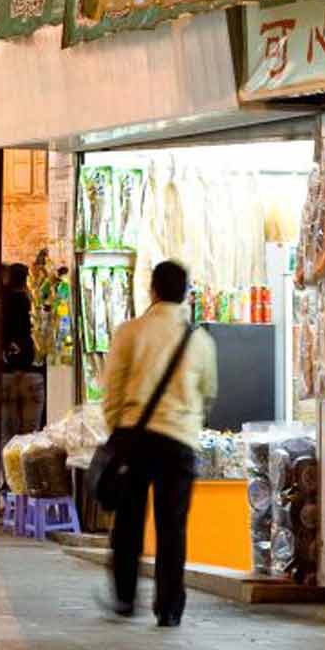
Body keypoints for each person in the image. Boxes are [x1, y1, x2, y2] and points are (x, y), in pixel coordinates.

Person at [101, 260, 218, 628]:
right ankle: (169, 606)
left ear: (151, 290)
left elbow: (113, 391)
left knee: (129, 520)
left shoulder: (130, 333)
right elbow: (209, 393)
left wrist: (118, 431)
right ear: (185, 293)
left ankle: (124, 596)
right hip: (179, 442)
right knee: (172, 527)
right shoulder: (199, 340)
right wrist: (189, 422)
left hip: (137, 437)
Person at [0, 264, 45, 440]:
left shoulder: (1, 304)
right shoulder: (33, 304)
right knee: (30, 435)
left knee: (8, 433)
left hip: (7, 372)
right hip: (32, 373)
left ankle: (7, 467)